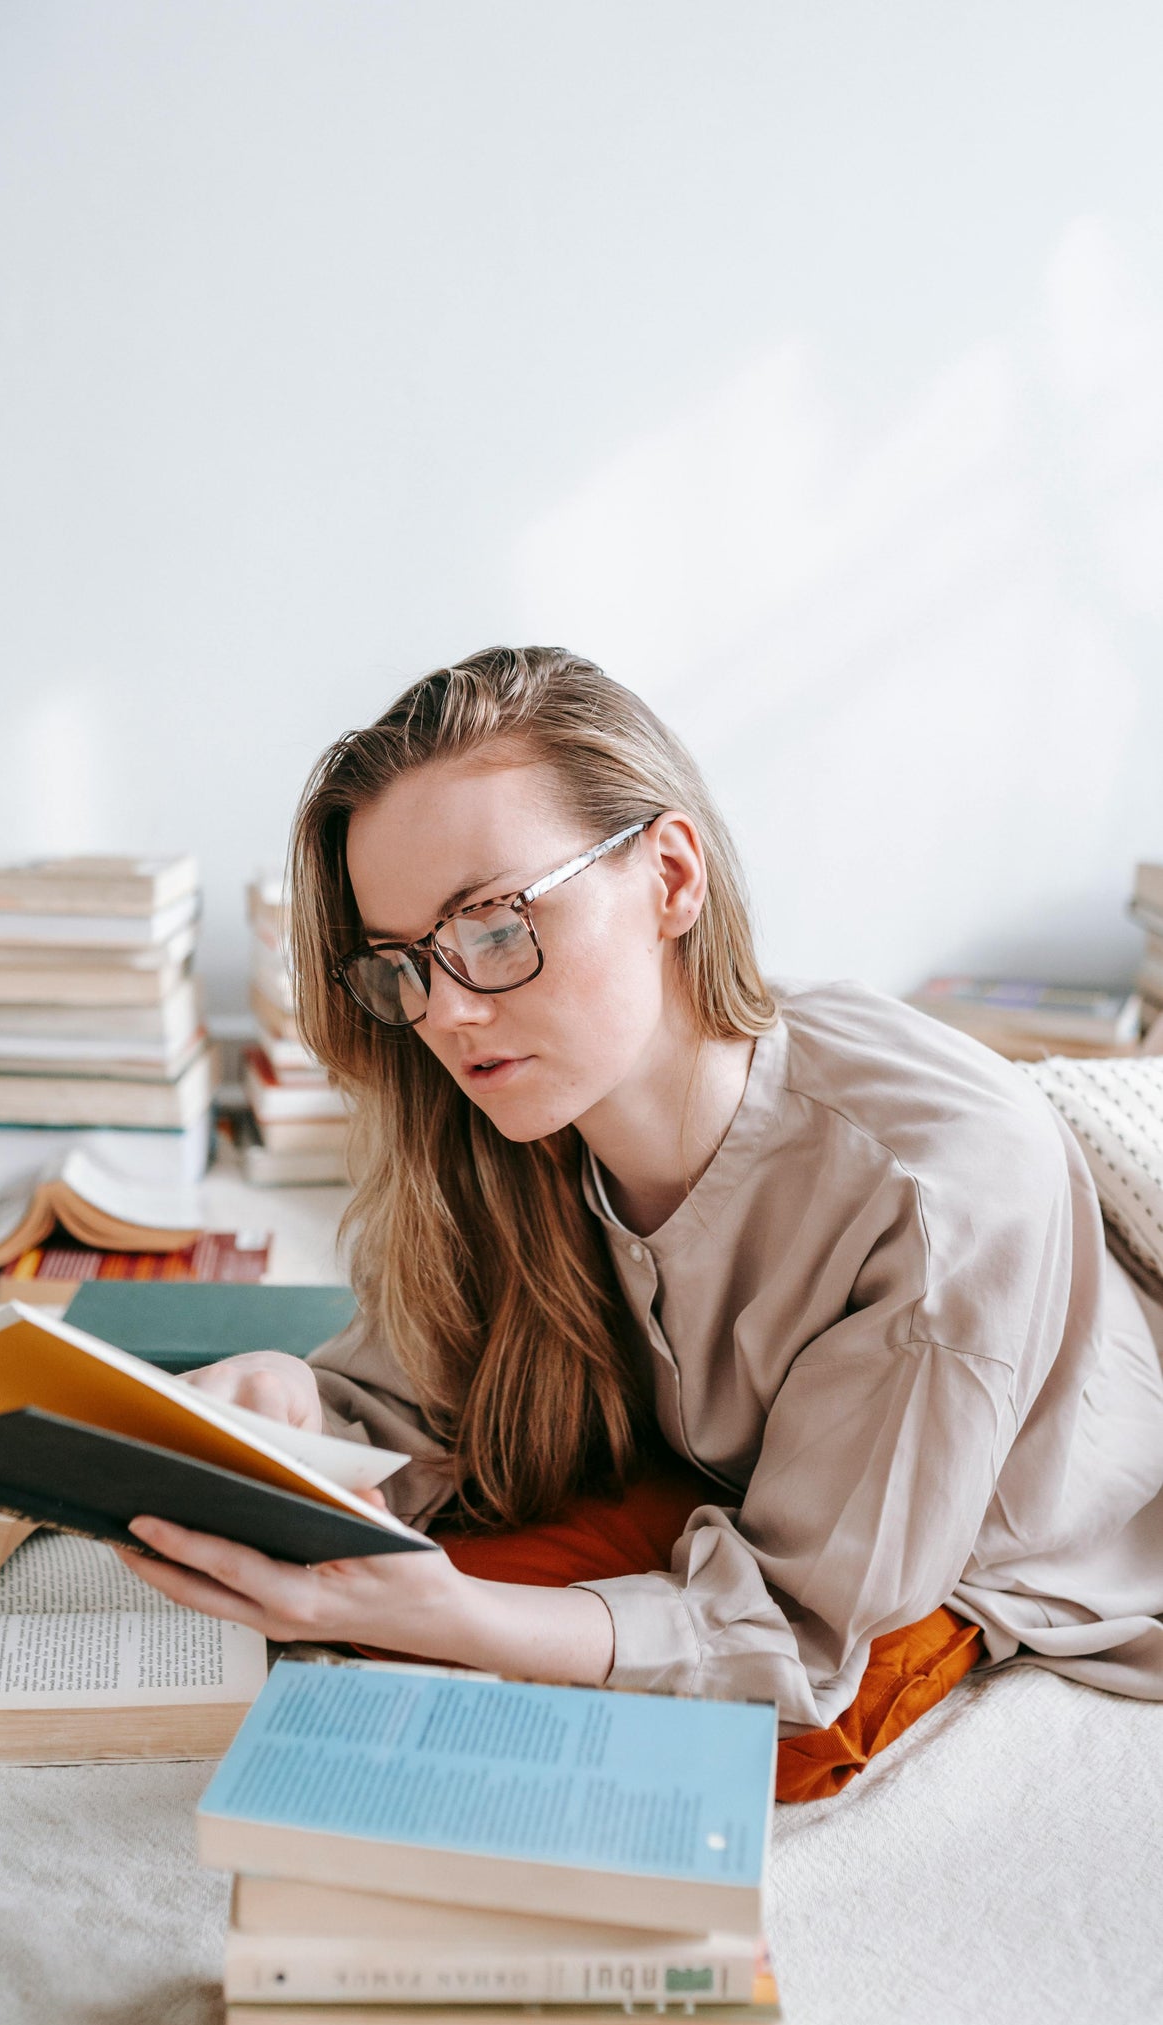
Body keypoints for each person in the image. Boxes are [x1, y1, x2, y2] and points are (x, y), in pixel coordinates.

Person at [120, 645, 1163, 1776]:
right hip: (742, 1459)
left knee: (697, 1742)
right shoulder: (507, 1115)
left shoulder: (937, 1188)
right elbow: (419, 1398)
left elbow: (800, 1640)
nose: (451, 1013)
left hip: (1025, 1524)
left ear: (671, 878)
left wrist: (453, 1618)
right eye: (405, 964)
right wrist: (297, 1412)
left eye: (496, 925)